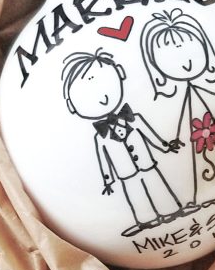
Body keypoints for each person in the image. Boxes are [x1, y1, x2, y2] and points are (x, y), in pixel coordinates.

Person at [61, 48, 183, 237]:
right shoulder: (100, 137)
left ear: (120, 73)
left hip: (147, 163)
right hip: (125, 173)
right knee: (135, 193)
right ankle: (145, 220)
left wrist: (165, 147)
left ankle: (170, 210)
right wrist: (108, 180)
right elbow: (104, 159)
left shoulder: (134, 119)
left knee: (156, 184)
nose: (102, 97)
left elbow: (150, 136)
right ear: (71, 105)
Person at [140, 9, 215, 209]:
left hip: (207, 130)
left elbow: (211, 103)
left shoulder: (198, 93)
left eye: (189, 48)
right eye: (171, 55)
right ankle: (212, 187)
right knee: (204, 157)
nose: (186, 62)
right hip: (200, 133)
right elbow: (186, 116)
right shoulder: (189, 96)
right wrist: (177, 137)